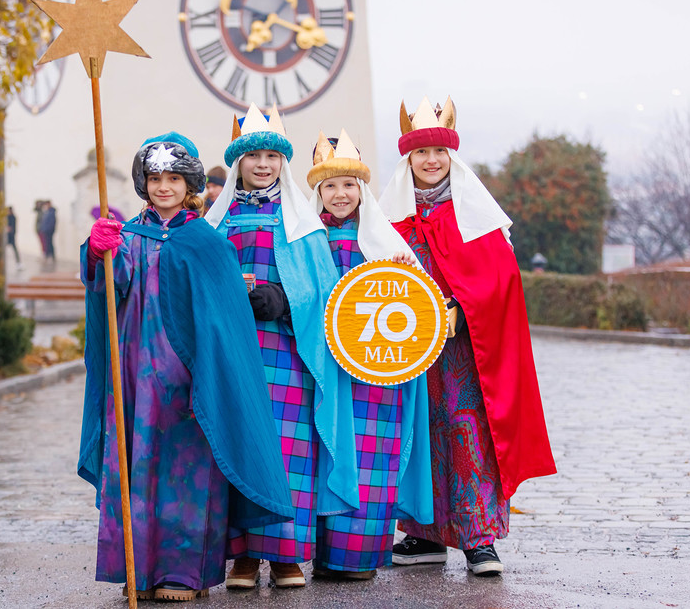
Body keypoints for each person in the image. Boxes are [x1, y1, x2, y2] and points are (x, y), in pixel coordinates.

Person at [79, 132, 294, 601]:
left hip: (187, 379)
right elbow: (111, 289)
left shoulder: (206, 242)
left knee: (185, 471)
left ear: (188, 183)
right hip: (134, 375)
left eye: (173, 178)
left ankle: (182, 572)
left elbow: (225, 320)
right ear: (144, 183)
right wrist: (98, 254)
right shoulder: (129, 237)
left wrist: (208, 373)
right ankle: (137, 568)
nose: (163, 187)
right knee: (136, 464)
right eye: (155, 178)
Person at [379, 97, 557, 576]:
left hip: (463, 353)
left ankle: (479, 539)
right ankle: (421, 533)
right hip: (409, 352)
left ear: (451, 157)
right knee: (415, 435)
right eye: (421, 154)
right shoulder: (388, 218)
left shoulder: (476, 215)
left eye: (439, 152)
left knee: (466, 431)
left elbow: (501, 280)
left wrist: (462, 308)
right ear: (408, 159)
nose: (431, 161)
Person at [204, 104, 359, 590]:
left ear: (282, 161)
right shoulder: (217, 220)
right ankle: (246, 557)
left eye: (273, 155)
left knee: (289, 449)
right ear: (238, 163)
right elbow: (200, 281)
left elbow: (326, 289)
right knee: (241, 446)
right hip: (234, 352)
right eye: (254, 156)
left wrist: (285, 301)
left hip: (286, 351)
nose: (264, 164)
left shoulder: (303, 223)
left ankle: (287, 556)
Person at [305, 129, 434, 580]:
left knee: (372, 457)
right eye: (330, 186)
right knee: (328, 453)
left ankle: (357, 558)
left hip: (376, 371)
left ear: (361, 189)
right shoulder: (307, 238)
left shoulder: (387, 242)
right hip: (326, 367)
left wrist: (404, 276)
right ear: (317, 191)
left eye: (348, 185)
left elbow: (411, 306)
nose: (340, 194)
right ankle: (325, 554)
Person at [35, 199, 57, 268]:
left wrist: (47, 230)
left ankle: (50, 257)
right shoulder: (46, 212)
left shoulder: (51, 212)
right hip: (45, 231)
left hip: (49, 231)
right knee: (46, 244)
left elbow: (51, 223)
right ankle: (48, 256)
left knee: (49, 244)